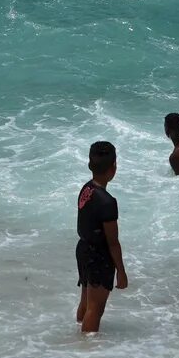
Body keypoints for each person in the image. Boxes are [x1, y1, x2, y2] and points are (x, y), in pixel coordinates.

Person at [74, 142, 126, 333]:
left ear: (90, 164)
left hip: (84, 249)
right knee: (96, 309)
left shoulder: (86, 189)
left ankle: (77, 334)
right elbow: (113, 242)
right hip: (99, 257)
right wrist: (121, 271)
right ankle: (87, 350)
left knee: (86, 301)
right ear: (114, 167)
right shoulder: (108, 202)